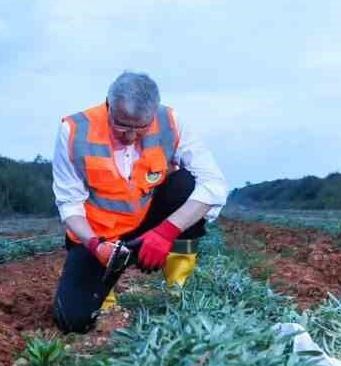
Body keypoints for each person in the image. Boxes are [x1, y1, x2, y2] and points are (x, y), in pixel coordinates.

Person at [51, 71, 227, 333]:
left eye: (141, 128)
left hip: (150, 225)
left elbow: (215, 186)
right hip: (101, 238)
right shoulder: (74, 131)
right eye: (121, 126)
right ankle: (105, 294)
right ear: (108, 106)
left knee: (185, 185)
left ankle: (177, 288)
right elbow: (69, 204)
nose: (131, 136)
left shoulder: (171, 123)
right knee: (72, 320)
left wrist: (166, 232)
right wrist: (95, 245)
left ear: (153, 114)